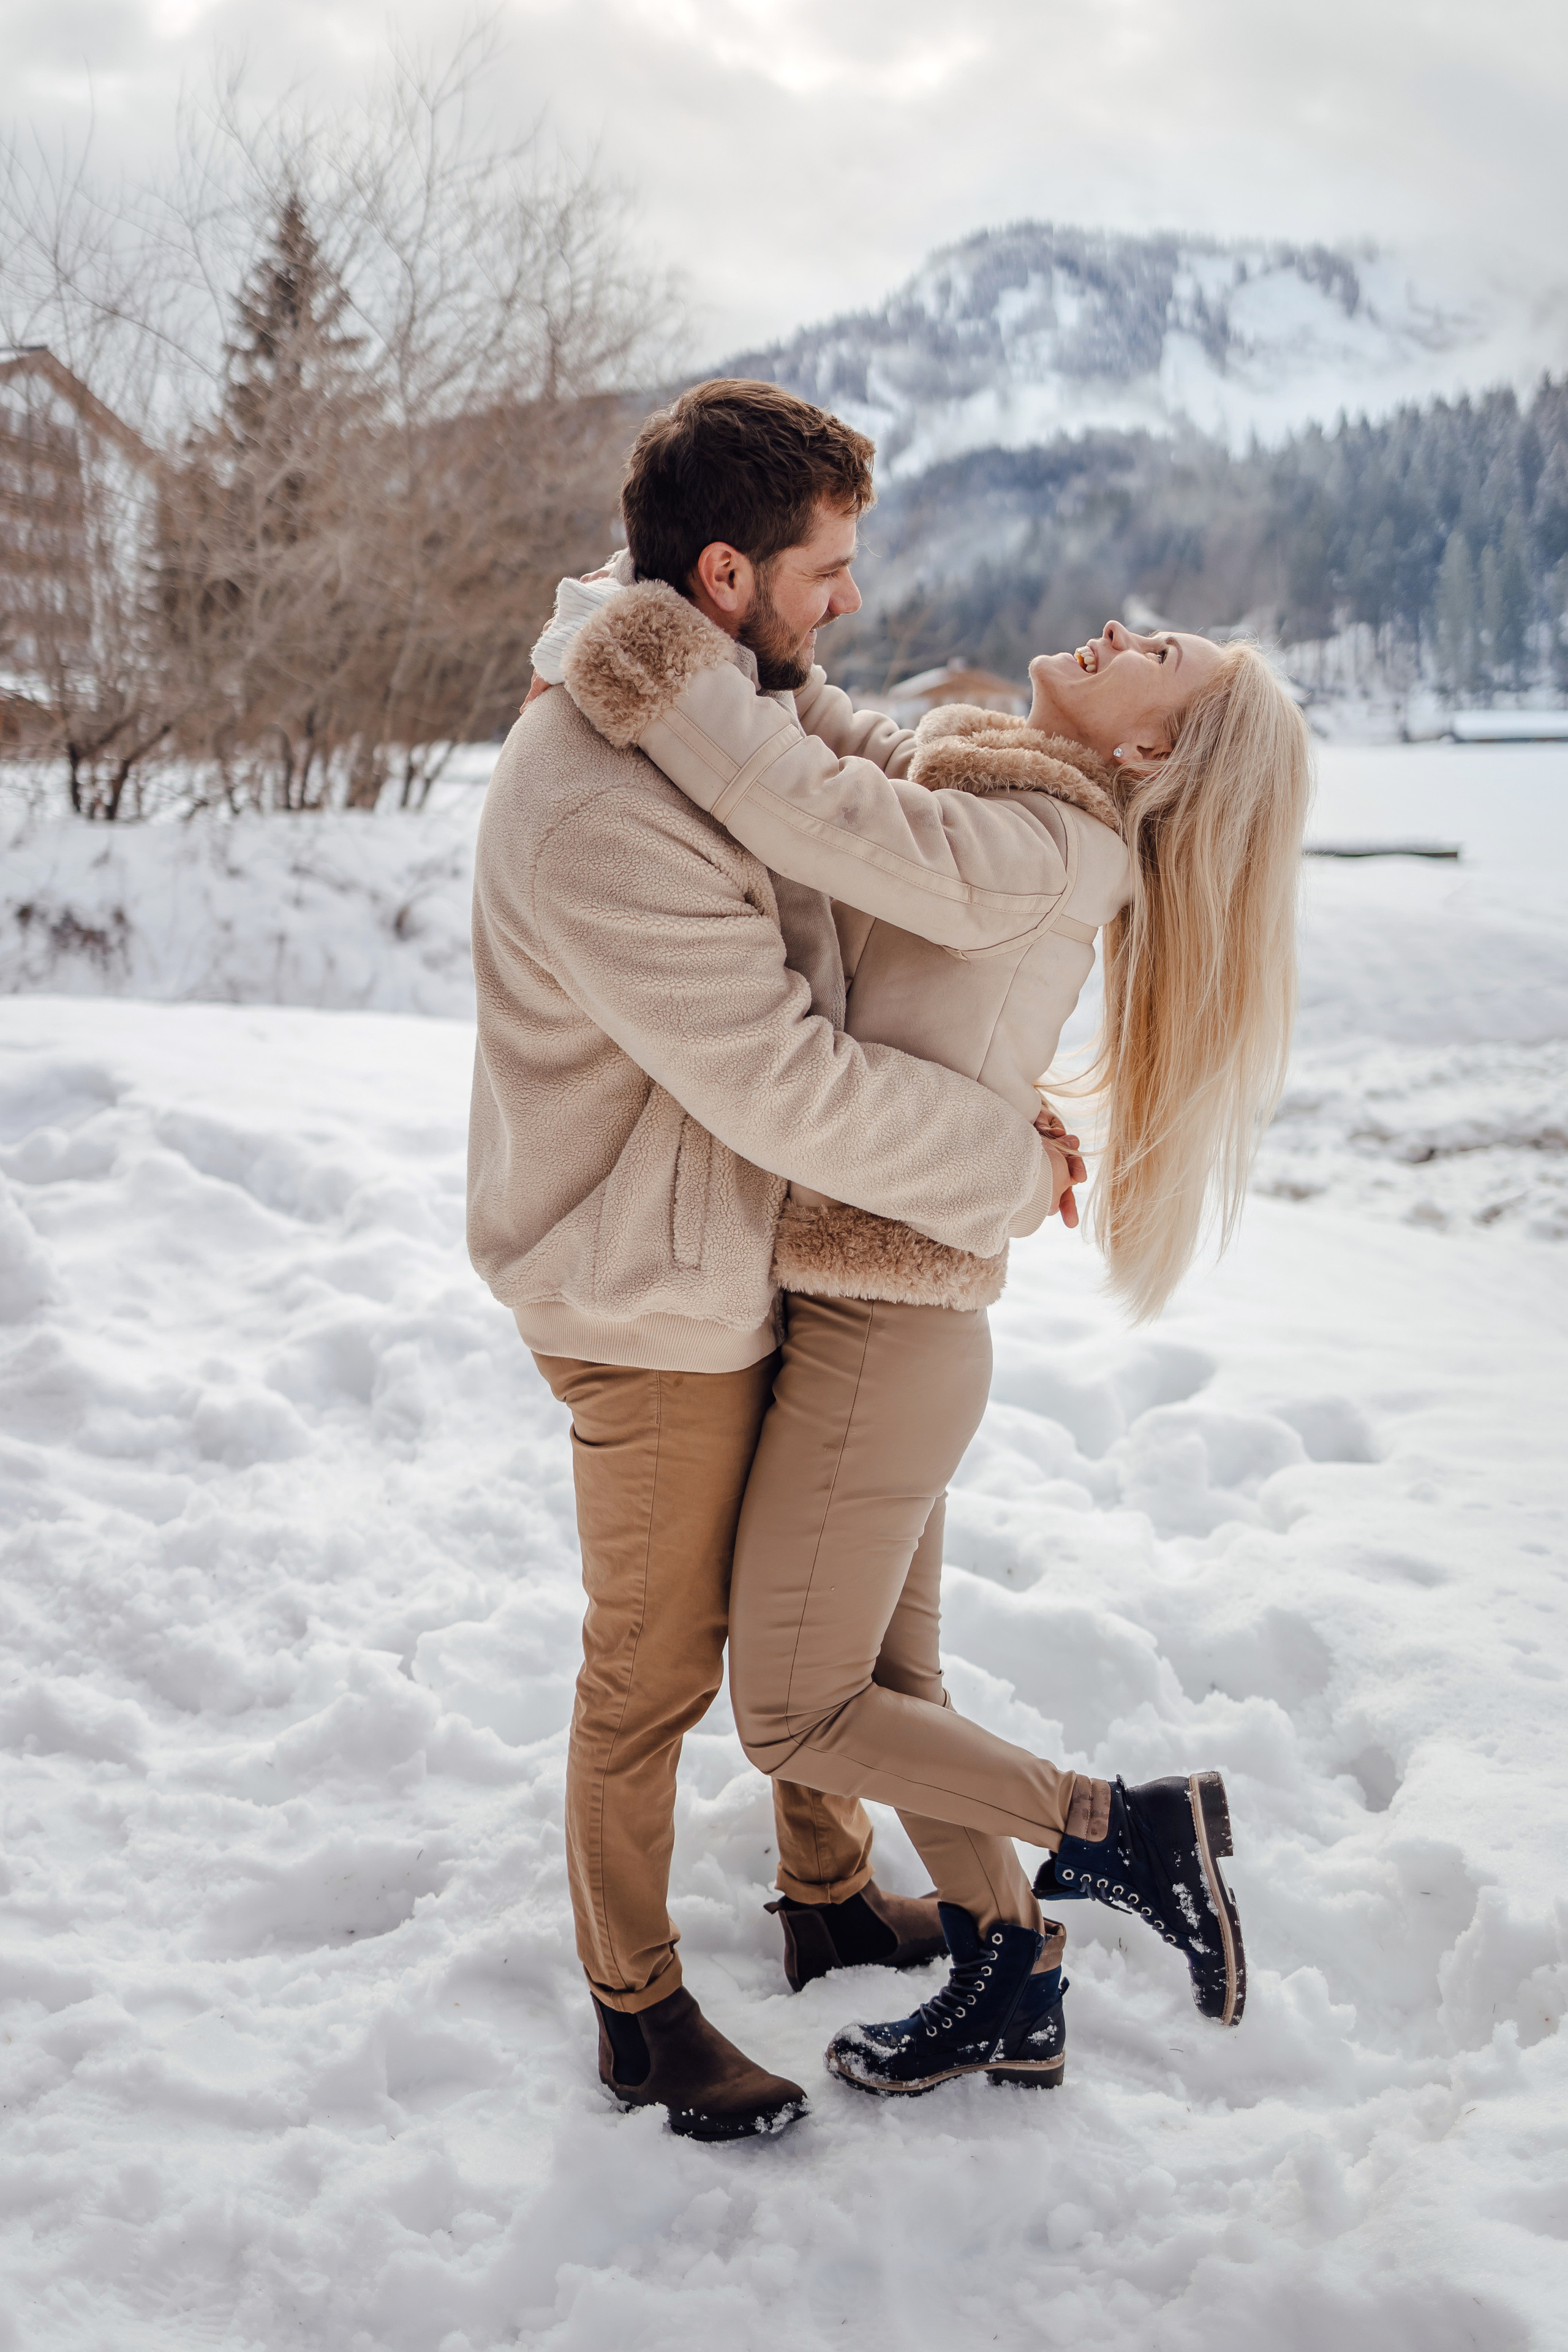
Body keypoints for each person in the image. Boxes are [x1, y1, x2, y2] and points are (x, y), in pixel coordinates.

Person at [556, 537, 1313, 2097]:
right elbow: (846, 753)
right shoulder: (1014, 805)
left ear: (1156, 745)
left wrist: (636, 656)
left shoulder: (1041, 848)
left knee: (795, 1709)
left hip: (881, 1332)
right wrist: (658, 624)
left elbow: (801, 807)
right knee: (890, 1697)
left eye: (1154, 647)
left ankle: (1124, 1828)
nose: (1117, 626)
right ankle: (1010, 1968)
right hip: (880, 1314)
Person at [467, 381, 1075, 2141]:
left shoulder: (732, 693)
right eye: (830, 570)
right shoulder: (599, 803)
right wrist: (1000, 1165)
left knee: (829, 1599)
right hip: (648, 1289)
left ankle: (821, 1898)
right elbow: (787, 1081)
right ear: (726, 573)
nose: (854, 602)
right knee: (658, 1664)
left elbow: (863, 776)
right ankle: (637, 2010)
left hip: (751, 1257)